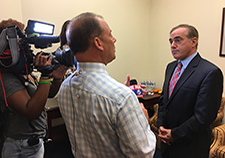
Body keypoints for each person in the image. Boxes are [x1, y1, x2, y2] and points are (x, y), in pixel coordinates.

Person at [58, 12, 156, 158]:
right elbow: (143, 154)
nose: (114, 39)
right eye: (110, 34)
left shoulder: (65, 87)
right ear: (98, 43)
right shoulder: (122, 98)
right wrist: (144, 122)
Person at [0, 19, 68, 158]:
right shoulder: (6, 78)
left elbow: (47, 94)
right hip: (19, 147)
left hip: (33, 143)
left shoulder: (25, 73)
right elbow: (32, 111)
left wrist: (57, 77)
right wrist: (45, 75)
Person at [157, 24, 223, 158]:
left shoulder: (210, 72)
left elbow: (204, 117)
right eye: (171, 41)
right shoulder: (170, 67)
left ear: (193, 42)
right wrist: (161, 126)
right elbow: (164, 101)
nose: (172, 45)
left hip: (191, 146)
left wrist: (174, 134)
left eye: (178, 40)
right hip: (166, 144)